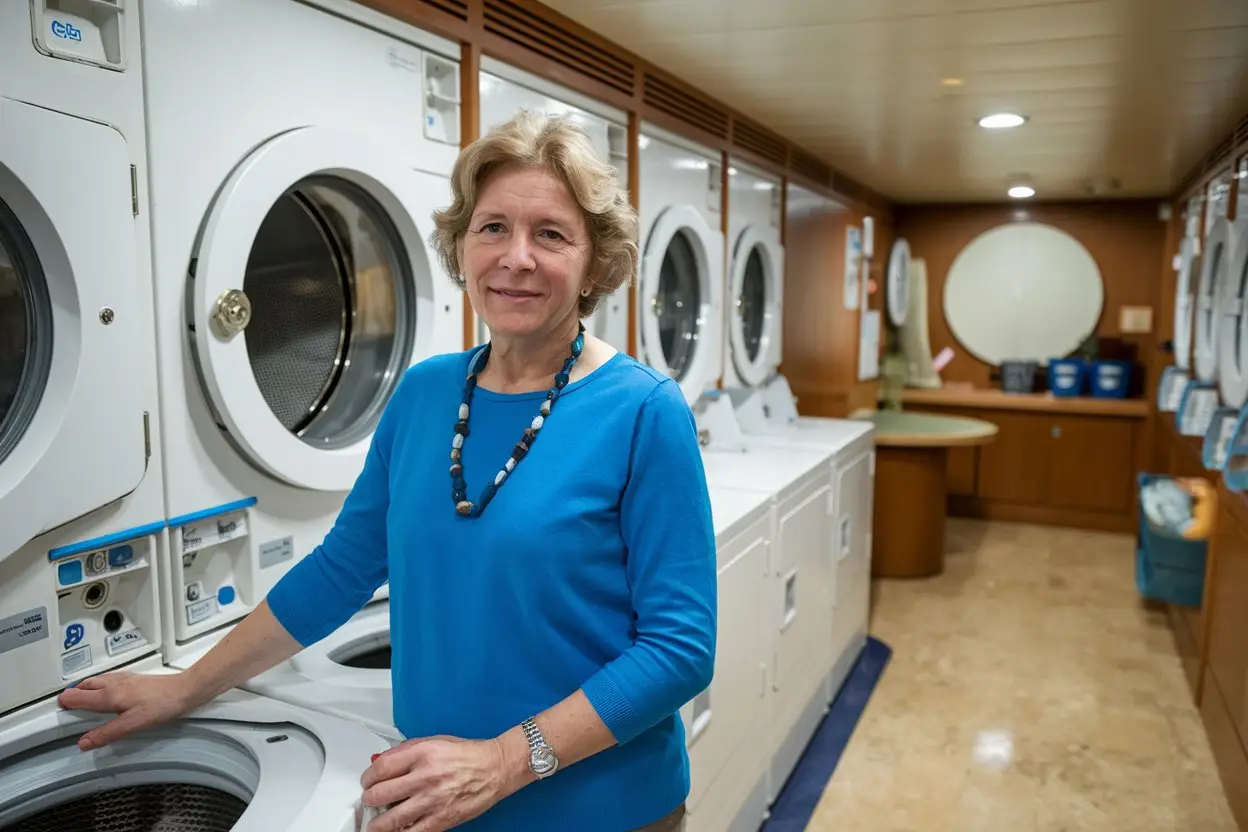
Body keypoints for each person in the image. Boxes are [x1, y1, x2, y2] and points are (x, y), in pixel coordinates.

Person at [58, 110, 718, 832]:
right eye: (493, 227)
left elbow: (679, 649)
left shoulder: (643, 411)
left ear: (596, 262)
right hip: (433, 792)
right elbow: (341, 569)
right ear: (461, 246)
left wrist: (501, 763)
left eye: (551, 234)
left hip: (601, 808)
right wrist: (187, 687)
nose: (516, 257)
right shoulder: (426, 393)